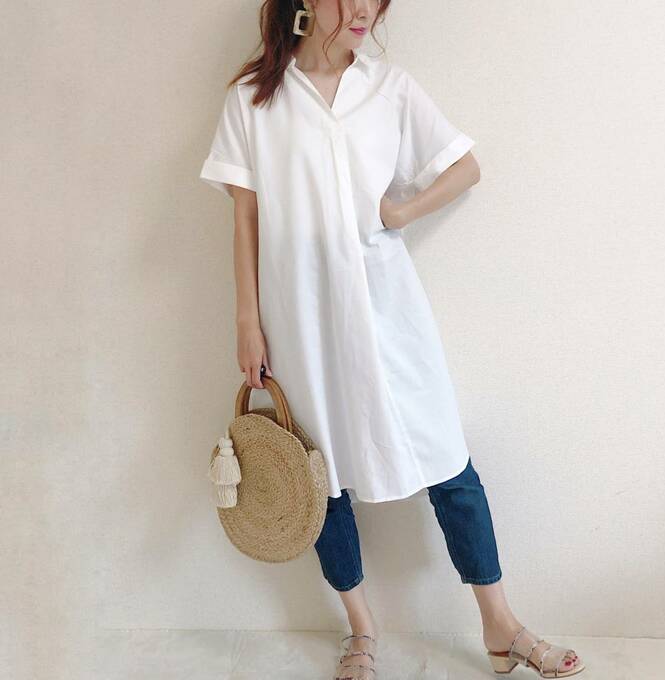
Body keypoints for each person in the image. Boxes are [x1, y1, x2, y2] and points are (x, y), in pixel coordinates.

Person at [199, 1, 586, 678]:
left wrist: (401, 211)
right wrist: (247, 322)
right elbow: (246, 218)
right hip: (300, 318)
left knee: (447, 462)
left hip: (389, 310)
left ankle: (500, 626)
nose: (362, 11)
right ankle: (362, 631)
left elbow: (465, 167)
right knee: (322, 477)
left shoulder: (389, 87)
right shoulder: (254, 98)